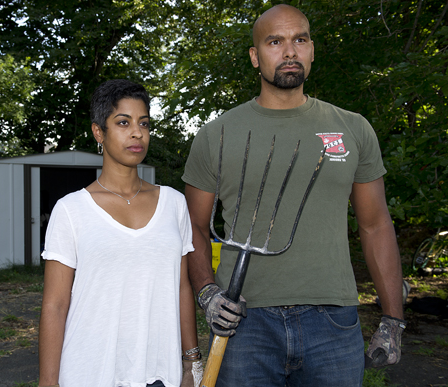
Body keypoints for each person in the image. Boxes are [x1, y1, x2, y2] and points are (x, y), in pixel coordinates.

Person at [182, 4, 406, 386]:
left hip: (333, 322)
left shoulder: (352, 128)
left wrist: (393, 318)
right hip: (244, 323)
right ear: (255, 56)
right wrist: (207, 293)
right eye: (275, 42)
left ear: (312, 50)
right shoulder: (217, 135)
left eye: (299, 40)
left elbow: (375, 224)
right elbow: (193, 228)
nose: (289, 52)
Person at [38, 79, 203, 387]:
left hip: (157, 374)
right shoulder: (71, 210)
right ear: (99, 132)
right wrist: (48, 382)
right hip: (89, 372)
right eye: (123, 122)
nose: (137, 133)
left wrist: (191, 362)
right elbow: (55, 305)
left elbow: (181, 287)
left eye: (144, 123)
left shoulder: (173, 204)